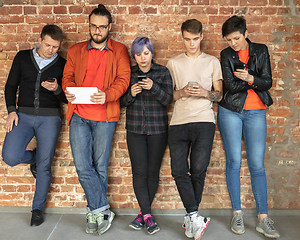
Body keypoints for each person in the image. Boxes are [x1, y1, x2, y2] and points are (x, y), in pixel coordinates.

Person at [62, 4, 130, 235]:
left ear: (110, 27)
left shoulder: (119, 50)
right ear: (89, 26)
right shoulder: (76, 50)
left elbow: (123, 79)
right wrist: (68, 89)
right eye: (94, 26)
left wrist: (107, 95)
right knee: (83, 165)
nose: (98, 31)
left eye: (102, 27)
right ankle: (103, 209)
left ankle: (94, 212)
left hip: (105, 115)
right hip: (79, 114)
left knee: (100, 166)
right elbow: (67, 76)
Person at [217, 15, 280, 238]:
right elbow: (230, 87)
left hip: (256, 113)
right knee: (233, 161)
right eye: (228, 40)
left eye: (236, 38)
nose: (232, 43)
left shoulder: (261, 50)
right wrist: (253, 81)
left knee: (256, 164)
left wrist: (250, 78)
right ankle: (237, 214)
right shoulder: (225, 54)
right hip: (230, 111)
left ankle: (263, 218)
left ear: (245, 33)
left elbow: (268, 81)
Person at [2, 24, 67, 226]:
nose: (51, 50)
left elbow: (67, 98)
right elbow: (11, 85)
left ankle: (37, 209)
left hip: (50, 118)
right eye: (48, 45)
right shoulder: (22, 58)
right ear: (40, 40)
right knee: (10, 156)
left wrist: (57, 89)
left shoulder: (63, 64)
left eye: (55, 47)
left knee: (45, 166)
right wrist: (11, 110)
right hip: (23, 115)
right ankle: (34, 158)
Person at [166, 19, 223, 240]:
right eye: (187, 40)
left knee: (198, 170)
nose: (191, 44)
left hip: (204, 121)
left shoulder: (212, 62)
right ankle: (194, 217)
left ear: (201, 37)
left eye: (195, 39)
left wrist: (204, 93)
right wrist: (181, 92)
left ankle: (192, 217)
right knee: (178, 171)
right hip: (179, 122)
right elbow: (167, 96)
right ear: (182, 38)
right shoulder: (173, 63)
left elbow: (219, 95)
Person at [120, 36, 173, 235]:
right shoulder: (128, 74)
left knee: (152, 172)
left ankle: (143, 214)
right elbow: (119, 103)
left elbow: (168, 99)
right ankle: (148, 216)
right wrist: (130, 94)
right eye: (138, 54)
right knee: (139, 172)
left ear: (151, 53)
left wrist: (154, 87)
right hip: (134, 130)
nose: (142, 58)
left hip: (158, 130)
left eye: (146, 53)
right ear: (134, 56)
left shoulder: (162, 72)